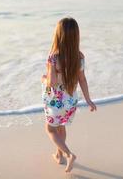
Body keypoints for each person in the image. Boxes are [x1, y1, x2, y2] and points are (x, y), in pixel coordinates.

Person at [41, 17, 97, 173]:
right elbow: (82, 79)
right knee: (61, 127)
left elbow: (51, 82)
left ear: (58, 35)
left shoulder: (53, 57)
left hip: (55, 101)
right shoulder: (79, 57)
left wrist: (43, 79)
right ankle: (59, 155)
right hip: (70, 100)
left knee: (51, 129)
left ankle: (68, 153)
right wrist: (89, 100)